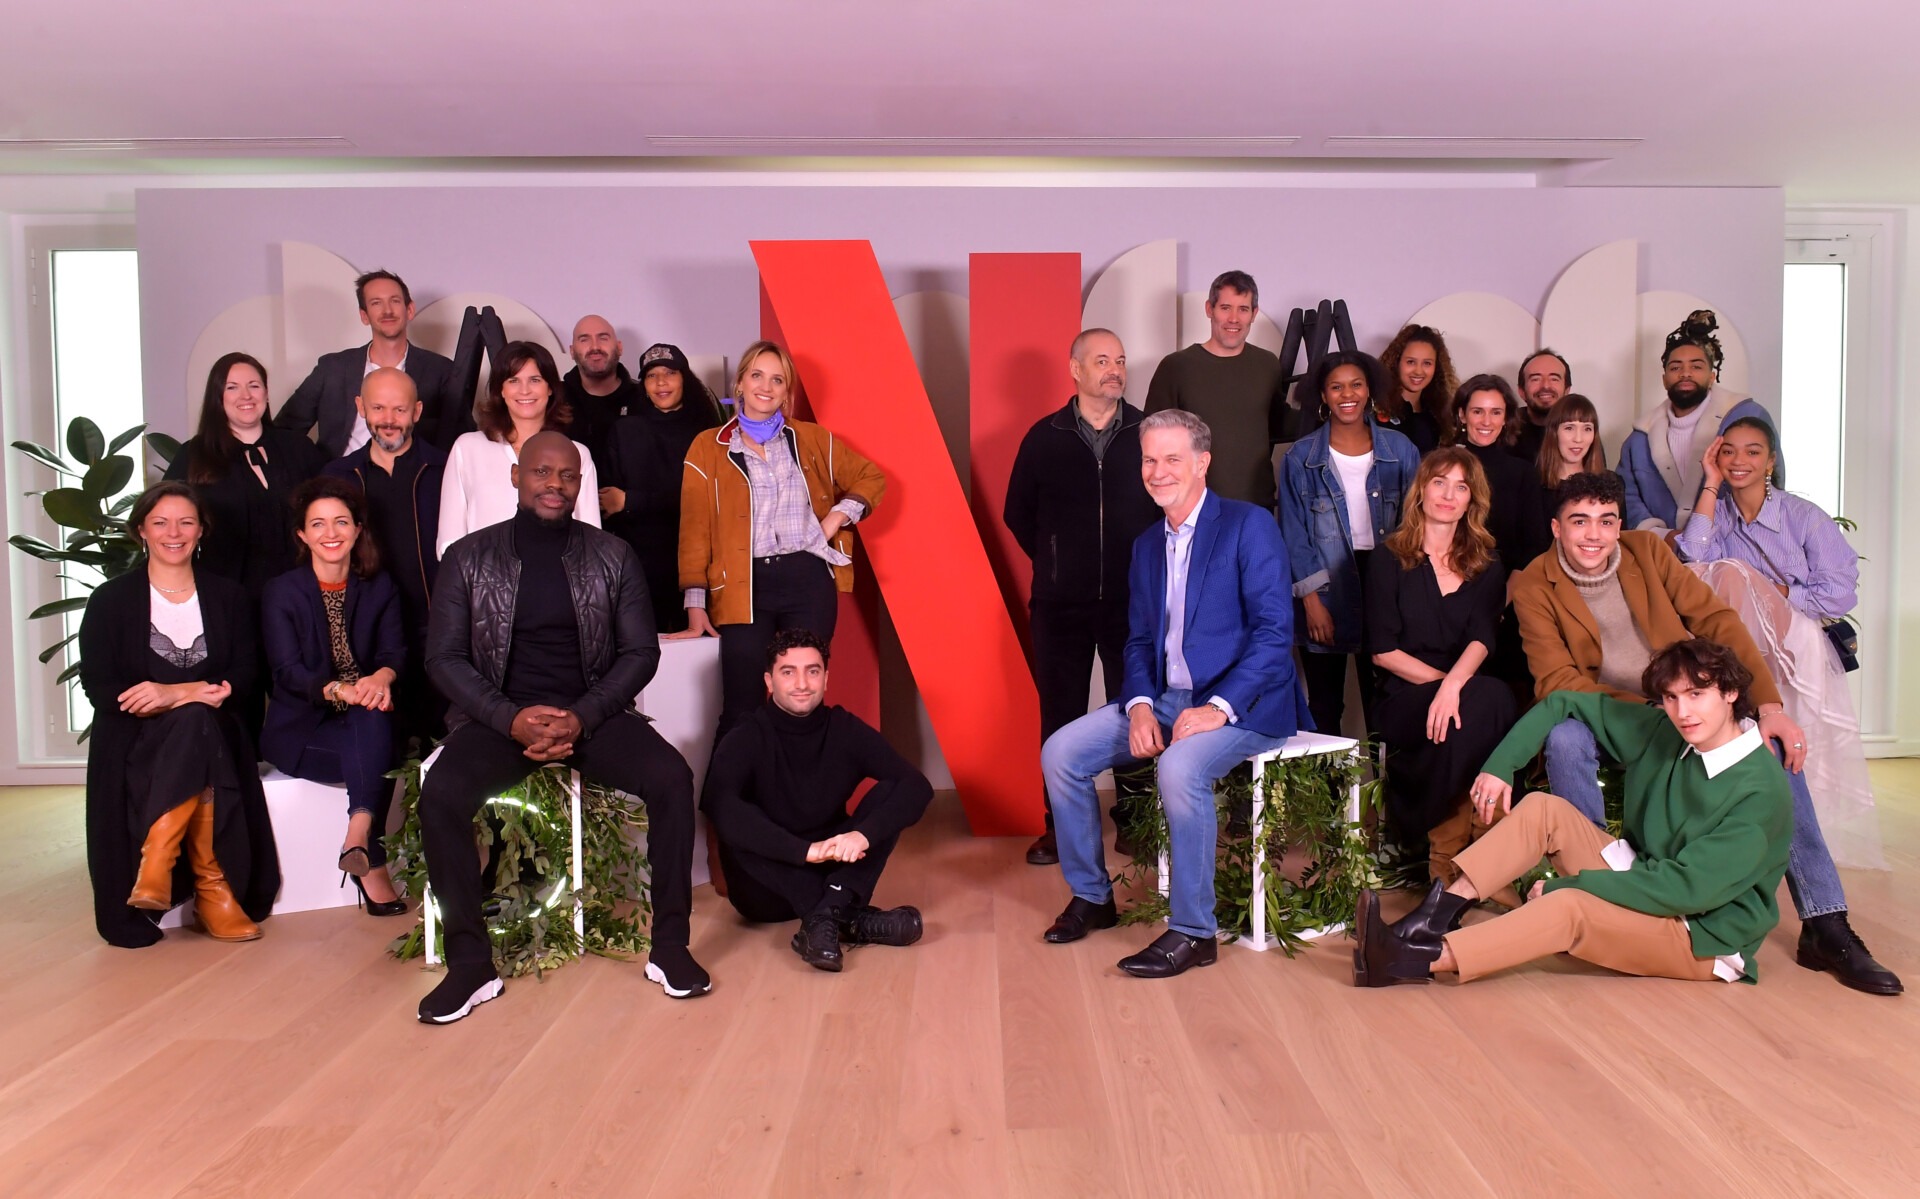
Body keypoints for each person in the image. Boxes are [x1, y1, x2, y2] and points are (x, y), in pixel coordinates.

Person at [1515, 470, 1900, 994]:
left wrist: (1767, 705)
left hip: (1681, 704)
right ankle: (1602, 888)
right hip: (1617, 715)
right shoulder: (1534, 583)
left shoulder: (1647, 553)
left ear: (1619, 525)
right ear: (1557, 528)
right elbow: (1557, 682)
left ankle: (1825, 923)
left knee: (1771, 749)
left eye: (1606, 521)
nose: (1593, 535)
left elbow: (1716, 620)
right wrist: (1658, 715)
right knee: (1564, 738)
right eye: (1579, 521)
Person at [418, 432, 703, 1023]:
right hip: (498, 719)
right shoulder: (468, 557)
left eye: (568, 476)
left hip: (592, 715)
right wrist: (509, 718)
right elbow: (442, 658)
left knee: (672, 778)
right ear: (517, 476)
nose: (555, 484)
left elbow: (640, 652)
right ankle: (470, 966)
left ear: (580, 483)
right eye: (542, 472)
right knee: (441, 793)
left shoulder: (613, 556)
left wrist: (583, 715)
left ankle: (670, 948)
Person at [1353, 639, 1791, 988]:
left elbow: (1688, 890)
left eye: (1697, 694)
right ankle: (1435, 917)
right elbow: (1562, 702)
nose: (1683, 711)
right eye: (1672, 697)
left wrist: (1570, 884)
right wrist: (1501, 765)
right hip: (1646, 879)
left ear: (1731, 693)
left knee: (1568, 905)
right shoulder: (1668, 730)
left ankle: (1408, 960)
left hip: (1702, 934)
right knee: (1543, 808)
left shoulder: (1759, 791)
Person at [1040, 409, 1305, 979]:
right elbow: (1137, 640)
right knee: (1061, 753)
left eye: (1172, 459)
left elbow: (1274, 634)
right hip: (1166, 698)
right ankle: (1092, 896)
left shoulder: (1248, 524)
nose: (1158, 471)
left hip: (1246, 704)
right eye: (1149, 460)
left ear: (1203, 463)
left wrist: (1216, 708)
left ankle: (1193, 932)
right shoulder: (1146, 545)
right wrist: (1139, 706)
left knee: (1179, 768)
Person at [1675, 416, 1882, 870]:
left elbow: (1839, 593)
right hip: (1741, 637)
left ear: (1770, 461)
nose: (1739, 460)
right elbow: (1691, 557)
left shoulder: (1803, 517)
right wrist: (1710, 484)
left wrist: (1773, 592)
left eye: (1753, 452)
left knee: (1733, 572)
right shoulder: (1720, 513)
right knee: (1717, 573)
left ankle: (1804, 843)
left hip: (1795, 635)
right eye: (1728, 451)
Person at [79, 483, 278, 948]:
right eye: (161, 522)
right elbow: (99, 687)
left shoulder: (228, 596)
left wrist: (174, 693)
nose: (174, 532)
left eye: (186, 522)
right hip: (136, 737)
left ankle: (158, 863)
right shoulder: (110, 600)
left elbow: (247, 674)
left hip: (214, 732)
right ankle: (212, 888)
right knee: (195, 722)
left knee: (196, 723)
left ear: (201, 530)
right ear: (141, 531)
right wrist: (187, 697)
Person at [672, 340, 885, 750]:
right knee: (742, 706)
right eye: (757, 375)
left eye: (777, 379)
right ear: (739, 383)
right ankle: (730, 793)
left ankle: (802, 790)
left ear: (787, 391)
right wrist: (695, 604)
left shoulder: (811, 439)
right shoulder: (707, 446)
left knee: (801, 702)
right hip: (743, 587)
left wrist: (835, 518)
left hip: (808, 580)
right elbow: (695, 528)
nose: (765, 387)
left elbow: (871, 478)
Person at [1002, 328, 1162, 867]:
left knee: (1136, 709)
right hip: (1059, 605)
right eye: (1102, 361)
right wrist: (1056, 560)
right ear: (1075, 369)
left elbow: (1173, 506)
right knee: (1061, 715)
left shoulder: (1148, 432)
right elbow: (1018, 513)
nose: (1114, 370)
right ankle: (1062, 828)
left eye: (1120, 360)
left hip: (1133, 603)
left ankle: (1137, 823)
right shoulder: (1043, 437)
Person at [704, 629, 932, 972]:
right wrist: (804, 851)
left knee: (889, 795)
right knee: (738, 821)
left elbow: (916, 786)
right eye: (788, 672)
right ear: (769, 681)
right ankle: (849, 918)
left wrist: (863, 835)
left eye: (812, 671)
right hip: (765, 891)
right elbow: (719, 805)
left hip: (831, 874)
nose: (802, 683)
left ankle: (825, 918)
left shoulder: (844, 728)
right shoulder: (748, 734)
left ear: (826, 678)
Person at [1365, 448, 1518, 883]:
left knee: (1492, 698)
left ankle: (1439, 849)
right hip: (1403, 696)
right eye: (1440, 483)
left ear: (1472, 500)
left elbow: (1482, 639)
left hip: (1465, 688)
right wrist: (1447, 688)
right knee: (1488, 701)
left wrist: (1454, 689)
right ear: (1421, 491)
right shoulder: (1387, 559)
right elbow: (1382, 651)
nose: (1449, 495)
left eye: (1461, 487)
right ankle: (1472, 850)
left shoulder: (1487, 565)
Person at [259, 477, 409, 917]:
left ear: (358, 530)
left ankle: (356, 835)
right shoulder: (282, 592)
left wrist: (380, 678)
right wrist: (343, 689)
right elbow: (287, 672)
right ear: (302, 535)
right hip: (302, 732)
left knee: (374, 716)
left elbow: (394, 652)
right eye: (318, 524)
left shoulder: (379, 586)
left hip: (363, 721)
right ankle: (369, 858)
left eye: (341, 522)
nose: (331, 533)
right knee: (379, 739)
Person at [1278, 350, 1420, 737]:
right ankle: (1332, 782)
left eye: (1356, 385)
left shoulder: (1401, 450)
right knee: (1325, 705)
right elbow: (1293, 534)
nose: (1347, 395)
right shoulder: (1300, 457)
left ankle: (1386, 780)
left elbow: (1416, 525)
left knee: (1387, 702)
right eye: (1336, 387)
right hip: (1326, 586)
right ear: (1323, 395)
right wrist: (1311, 601)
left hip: (1386, 584)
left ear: (1369, 390)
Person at [322, 367, 449, 752]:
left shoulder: (446, 470)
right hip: (367, 639)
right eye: (378, 408)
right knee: (381, 753)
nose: (389, 419)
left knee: (442, 749)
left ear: (417, 411)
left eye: (399, 409)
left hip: (438, 632)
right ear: (360, 407)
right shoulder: (337, 477)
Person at [166, 352, 330, 600]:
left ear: (266, 393)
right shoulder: (193, 454)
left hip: (301, 593)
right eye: (232, 387)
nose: (246, 396)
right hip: (225, 597)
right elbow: (166, 521)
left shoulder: (299, 448)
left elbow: (332, 510)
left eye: (254, 386)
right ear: (218, 397)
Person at [599, 342, 723, 634]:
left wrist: (631, 501)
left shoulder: (707, 433)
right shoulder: (624, 430)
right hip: (638, 568)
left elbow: (706, 502)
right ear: (643, 385)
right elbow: (608, 503)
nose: (661, 382)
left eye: (670, 373)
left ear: (684, 379)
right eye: (652, 376)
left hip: (698, 569)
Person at [1618, 310, 1775, 537]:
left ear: (1712, 377)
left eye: (1696, 366)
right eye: (1675, 367)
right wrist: (1662, 536)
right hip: (1663, 552)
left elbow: (1773, 478)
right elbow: (1628, 497)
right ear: (1664, 380)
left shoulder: (1747, 416)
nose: (1685, 373)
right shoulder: (1639, 440)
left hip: (1738, 545)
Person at [438, 341, 600, 557]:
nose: (524, 390)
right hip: (481, 575)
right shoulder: (467, 448)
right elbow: (449, 542)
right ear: (501, 390)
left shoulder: (577, 454)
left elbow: (591, 540)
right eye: (513, 380)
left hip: (555, 575)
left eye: (535, 380)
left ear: (550, 388)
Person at [1144, 270, 1288, 509]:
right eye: (1225, 308)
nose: (1234, 318)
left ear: (1254, 314)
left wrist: (1327, 409)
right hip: (1192, 509)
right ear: (1209, 309)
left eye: (1243, 309)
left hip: (1256, 506)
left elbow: (1278, 424)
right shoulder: (1176, 367)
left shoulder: (1267, 364)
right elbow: (1152, 441)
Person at [275, 269, 457, 457]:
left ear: (409, 310)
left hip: (414, 474)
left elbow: (460, 437)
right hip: (340, 474)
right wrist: (316, 468)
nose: (387, 311)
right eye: (376, 303)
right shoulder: (331, 369)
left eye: (395, 301)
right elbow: (283, 431)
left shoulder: (440, 370)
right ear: (364, 316)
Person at [1443, 373, 1548, 574]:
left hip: (1508, 584)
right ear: (1462, 415)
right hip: (1447, 577)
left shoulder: (1523, 472)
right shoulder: (1440, 467)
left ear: (1506, 418)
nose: (1486, 421)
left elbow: (1535, 545)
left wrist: (1512, 585)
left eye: (1496, 412)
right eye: (1477, 411)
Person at [560, 314, 646, 471]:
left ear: (619, 347)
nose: (595, 347)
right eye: (584, 339)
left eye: (603, 338)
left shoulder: (644, 399)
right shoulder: (554, 399)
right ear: (572, 351)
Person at [1532, 393, 1606, 549]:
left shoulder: (1610, 485)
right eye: (1569, 428)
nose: (1578, 439)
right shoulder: (1532, 486)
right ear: (1554, 432)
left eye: (1587, 428)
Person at [1375, 324, 1457, 456]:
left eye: (1427, 363)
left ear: (1436, 367)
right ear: (1397, 362)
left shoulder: (1442, 414)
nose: (1418, 371)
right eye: (1411, 362)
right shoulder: (1375, 408)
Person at [1511, 349, 1572, 464]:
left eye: (1554, 379)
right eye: (1536, 379)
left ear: (1567, 390)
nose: (1545, 386)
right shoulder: (1505, 429)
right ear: (1521, 391)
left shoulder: (1581, 430)